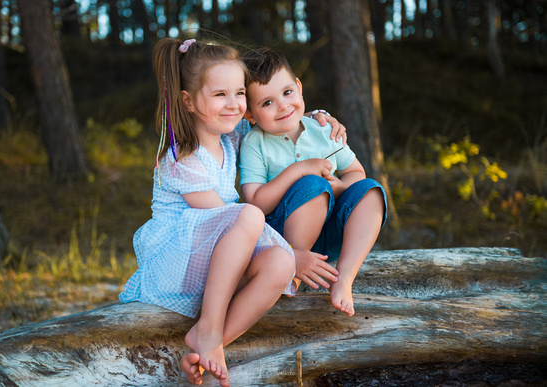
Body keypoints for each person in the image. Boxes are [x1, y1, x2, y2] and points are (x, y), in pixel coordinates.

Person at [119, 38, 346, 386]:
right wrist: (295, 252)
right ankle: (209, 328)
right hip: (176, 260)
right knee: (252, 216)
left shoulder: (232, 135)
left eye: (239, 93)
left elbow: (273, 114)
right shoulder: (181, 159)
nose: (234, 105)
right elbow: (231, 219)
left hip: (217, 262)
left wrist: (316, 117)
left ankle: (210, 347)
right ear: (188, 101)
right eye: (220, 95)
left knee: (279, 265)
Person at [239, 48, 387, 317]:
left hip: (329, 234)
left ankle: (344, 277)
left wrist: (338, 187)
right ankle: (291, 272)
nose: (283, 106)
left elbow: (356, 173)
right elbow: (255, 203)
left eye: (287, 93)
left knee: (372, 191)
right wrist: (299, 170)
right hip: (282, 241)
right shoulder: (254, 143)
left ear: (298, 87)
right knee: (311, 186)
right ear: (249, 114)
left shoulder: (323, 130)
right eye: (267, 103)